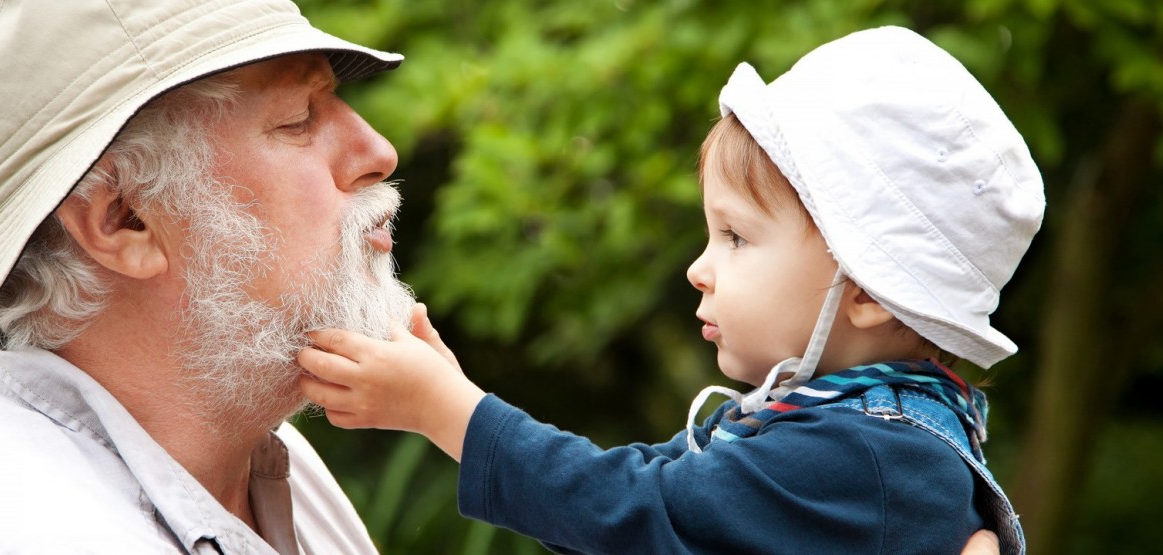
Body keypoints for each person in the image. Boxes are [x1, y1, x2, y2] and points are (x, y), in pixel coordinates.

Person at [298, 26, 1040, 554]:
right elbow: (640, 496)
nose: (699, 266)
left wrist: (447, 411)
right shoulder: (857, 436)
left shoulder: (860, 460)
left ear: (869, 291)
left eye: (737, 236)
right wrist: (455, 393)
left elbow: (632, 511)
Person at [0, 0, 417, 552]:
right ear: (127, 218)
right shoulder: (15, 535)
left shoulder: (262, 464)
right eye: (298, 119)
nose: (378, 151)